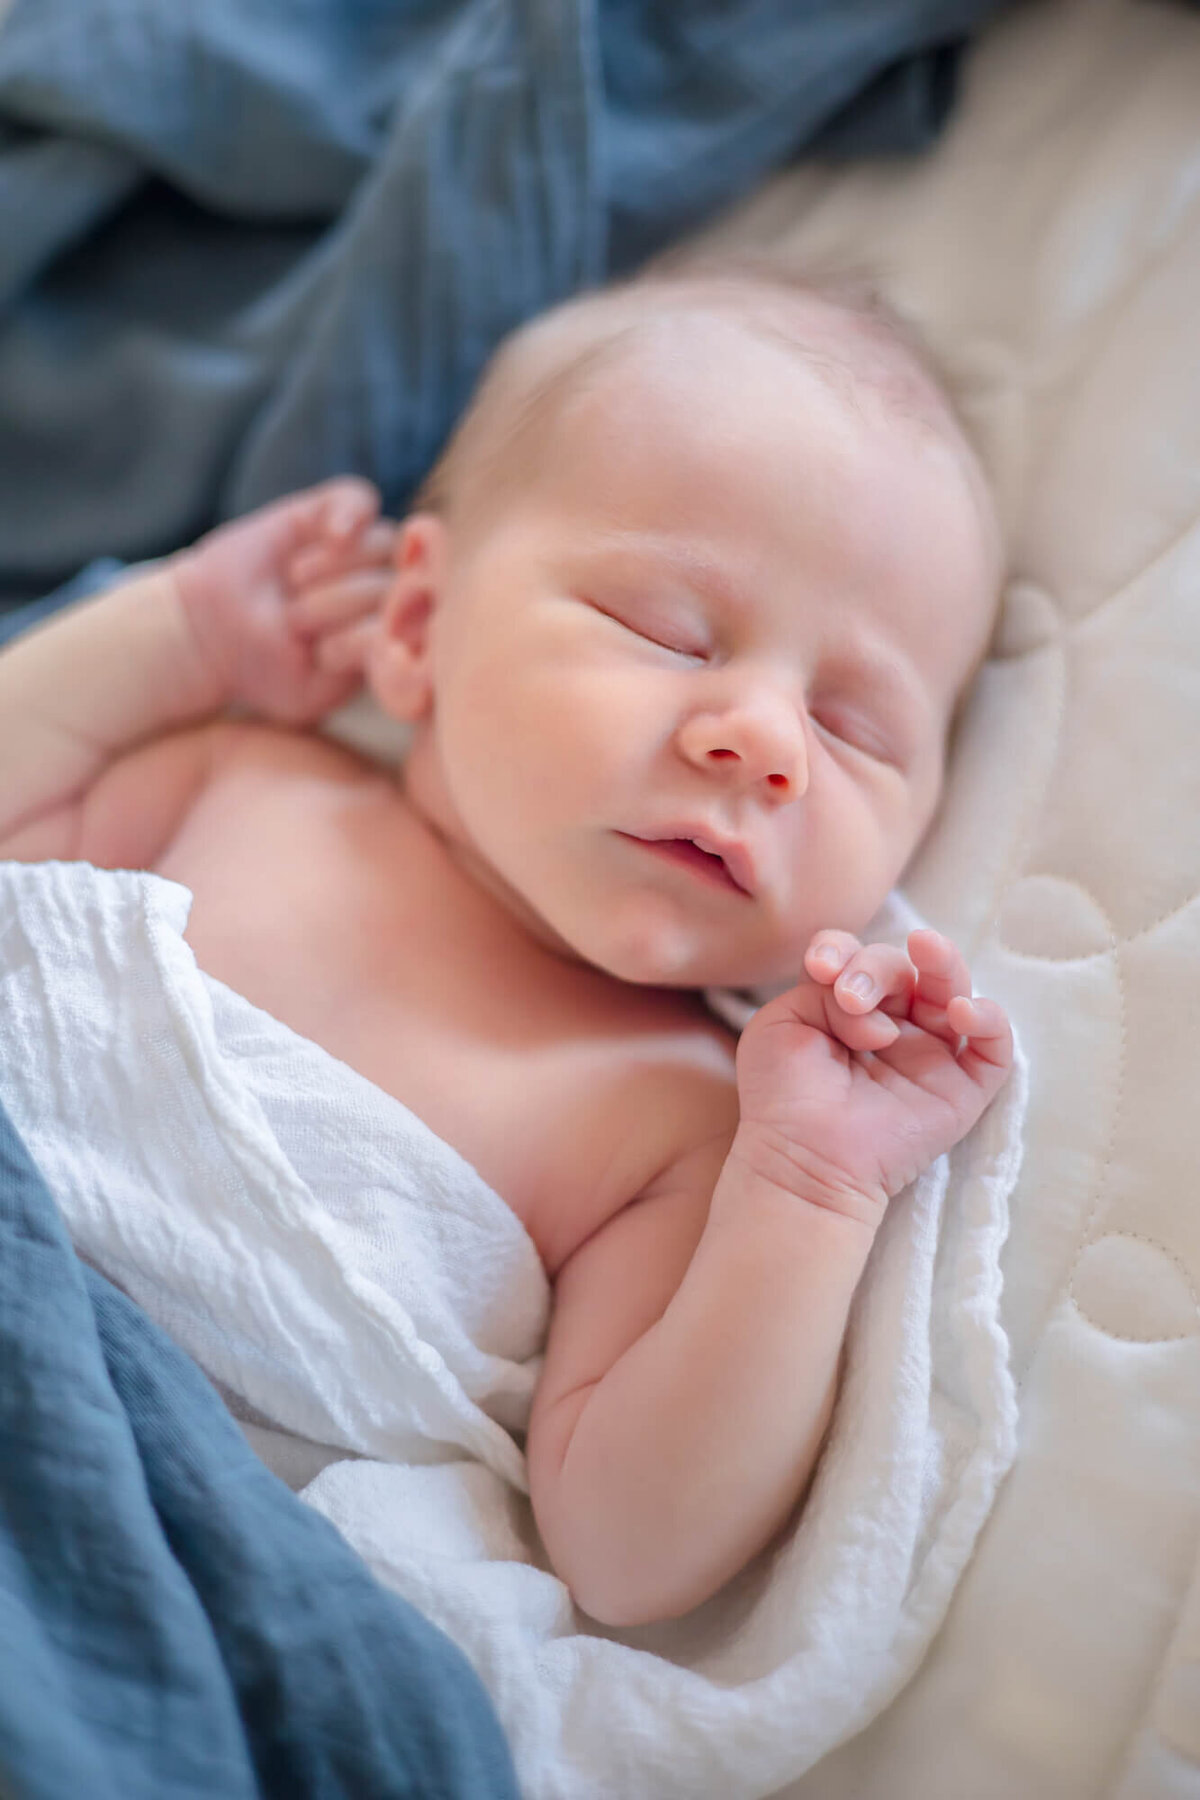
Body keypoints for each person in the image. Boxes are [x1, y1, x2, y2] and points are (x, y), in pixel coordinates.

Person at [0, 265, 1012, 1631]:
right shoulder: (241, 784)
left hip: (156, 1550)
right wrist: (179, 631)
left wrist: (816, 1189)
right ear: (418, 624)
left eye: (854, 731)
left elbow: (628, 1549)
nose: (764, 741)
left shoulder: (680, 1122)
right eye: (667, 631)